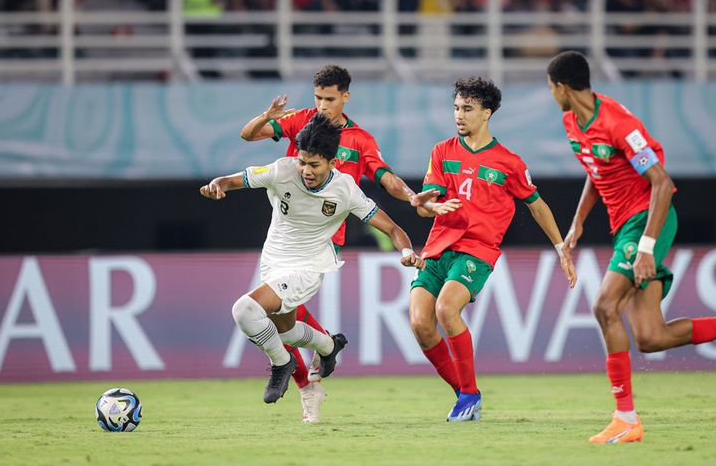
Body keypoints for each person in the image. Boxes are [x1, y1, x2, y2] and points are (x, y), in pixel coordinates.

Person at [546, 50, 716, 444]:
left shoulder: (618, 122)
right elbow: (595, 170)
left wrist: (646, 248)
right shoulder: (572, 122)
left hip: (648, 218)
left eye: (550, 88)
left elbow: (662, 184)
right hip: (625, 226)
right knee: (651, 337)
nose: (551, 95)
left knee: (604, 306)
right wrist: (578, 223)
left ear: (562, 87)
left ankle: (625, 418)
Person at [240, 64, 449, 422]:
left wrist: (414, 197)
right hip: (288, 228)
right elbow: (249, 136)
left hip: (325, 237)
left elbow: (387, 179)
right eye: (318, 97)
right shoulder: (300, 120)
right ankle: (322, 355)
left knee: (277, 310)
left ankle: (307, 378)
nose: (322, 105)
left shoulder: (360, 140)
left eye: (330, 99)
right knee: (280, 316)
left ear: (345, 97)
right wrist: (266, 116)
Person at [200, 113, 426, 409]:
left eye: (314, 164)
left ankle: (282, 363)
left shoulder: (345, 189)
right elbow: (231, 180)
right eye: (302, 161)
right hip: (273, 260)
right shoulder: (282, 170)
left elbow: (393, 229)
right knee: (285, 330)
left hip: (309, 265)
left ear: (333, 163)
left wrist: (407, 252)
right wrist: (217, 185)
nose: (305, 170)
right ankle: (329, 345)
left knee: (245, 310)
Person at [409, 77, 577, 422]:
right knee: (419, 323)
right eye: (456, 108)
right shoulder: (441, 152)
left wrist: (561, 248)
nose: (459, 115)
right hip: (439, 246)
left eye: (467, 109)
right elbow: (429, 205)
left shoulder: (508, 162)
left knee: (446, 309)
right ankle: (466, 393)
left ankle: (468, 395)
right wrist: (425, 207)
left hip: (477, 250)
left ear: (486, 113)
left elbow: (537, 205)